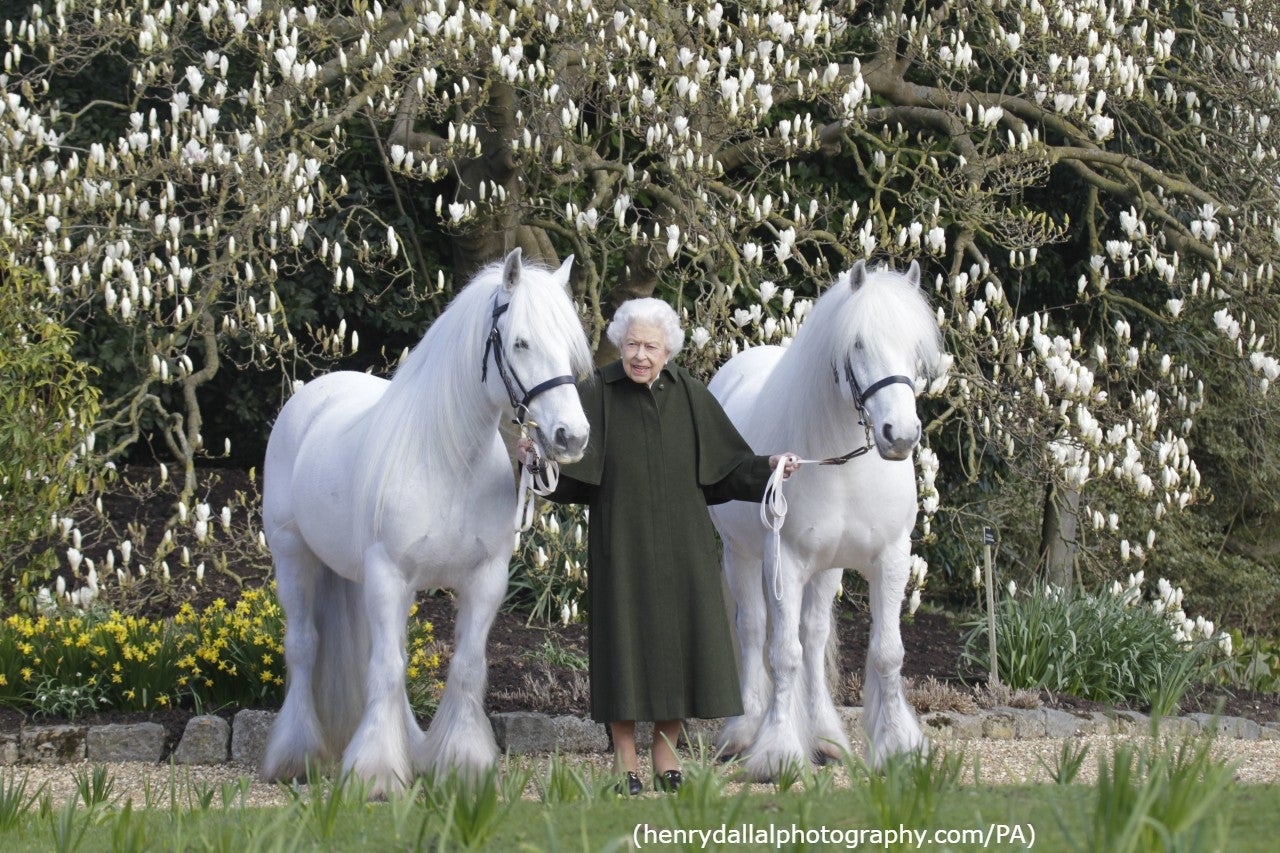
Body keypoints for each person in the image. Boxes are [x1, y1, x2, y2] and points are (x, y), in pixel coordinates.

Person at [520, 297, 798, 795]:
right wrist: (535, 461)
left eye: (650, 346)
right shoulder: (597, 393)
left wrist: (771, 466)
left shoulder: (690, 394)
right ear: (618, 346)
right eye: (631, 345)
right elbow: (569, 478)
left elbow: (727, 470)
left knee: (680, 647)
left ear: (668, 349)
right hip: (619, 544)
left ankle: (665, 749)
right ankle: (625, 755)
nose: (640, 355)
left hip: (684, 546)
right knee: (623, 647)